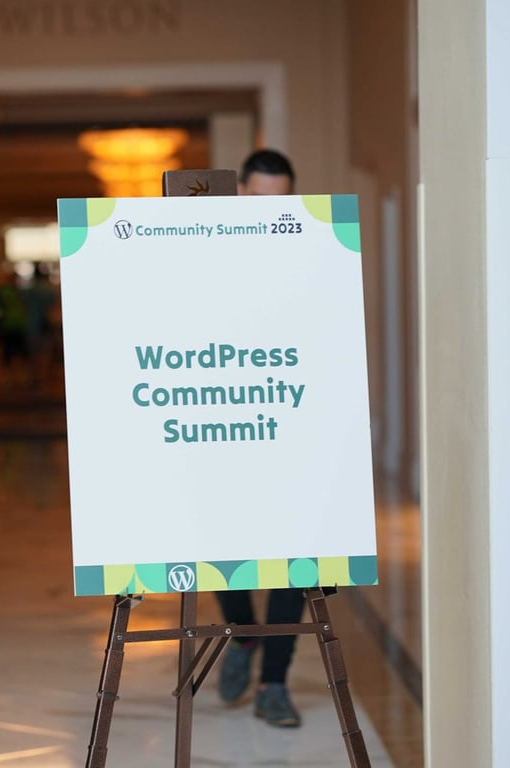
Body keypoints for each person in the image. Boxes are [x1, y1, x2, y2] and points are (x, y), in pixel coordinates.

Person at [215, 147, 306, 728]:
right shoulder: (207, 250)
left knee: (294, 561)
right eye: (261, 198)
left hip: (289, 425)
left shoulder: (308, 250)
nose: (271, 211)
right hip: (222, 426)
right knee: (225, 546)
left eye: (282, 199)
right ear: (242, 190)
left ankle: (274, 682)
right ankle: (244, 636)